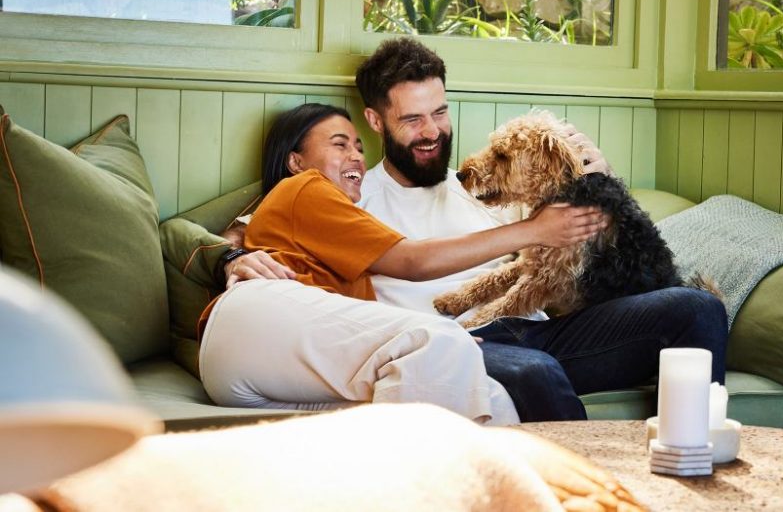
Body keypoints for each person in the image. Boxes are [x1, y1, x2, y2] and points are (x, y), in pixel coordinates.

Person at [197, 102, 606, 426]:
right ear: (296, 162)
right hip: (258, 324)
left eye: (358, 146)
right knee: (442, 341)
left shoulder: (330, 221)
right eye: (339, 144)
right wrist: (537, 229)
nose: (356, 156)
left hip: (261, 373)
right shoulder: (305, 188)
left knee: (494, 401)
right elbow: (411, 260)